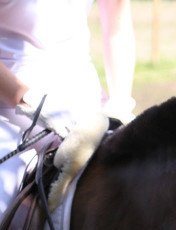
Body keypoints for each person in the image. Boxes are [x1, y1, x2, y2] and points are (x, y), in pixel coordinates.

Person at [0, 0, 136, 213]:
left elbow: (117, 26)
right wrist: (29, 100)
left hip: (88, 109)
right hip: (9, 115)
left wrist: (120, 101)